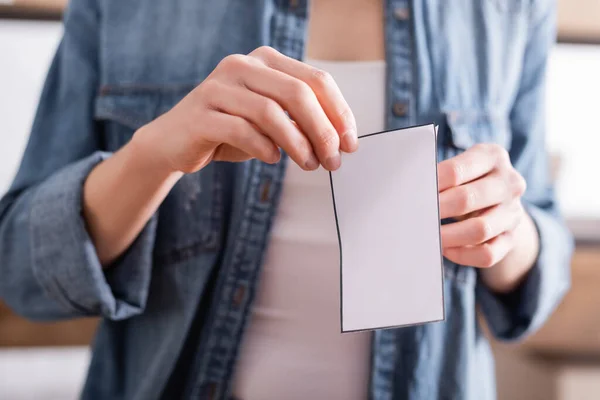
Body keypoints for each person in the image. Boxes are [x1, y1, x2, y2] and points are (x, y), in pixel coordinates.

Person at [0, 0, 573, 399]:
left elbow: (541, 254)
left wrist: (510, 232)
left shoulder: (508, 7)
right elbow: (19, 270)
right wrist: (152, 155)